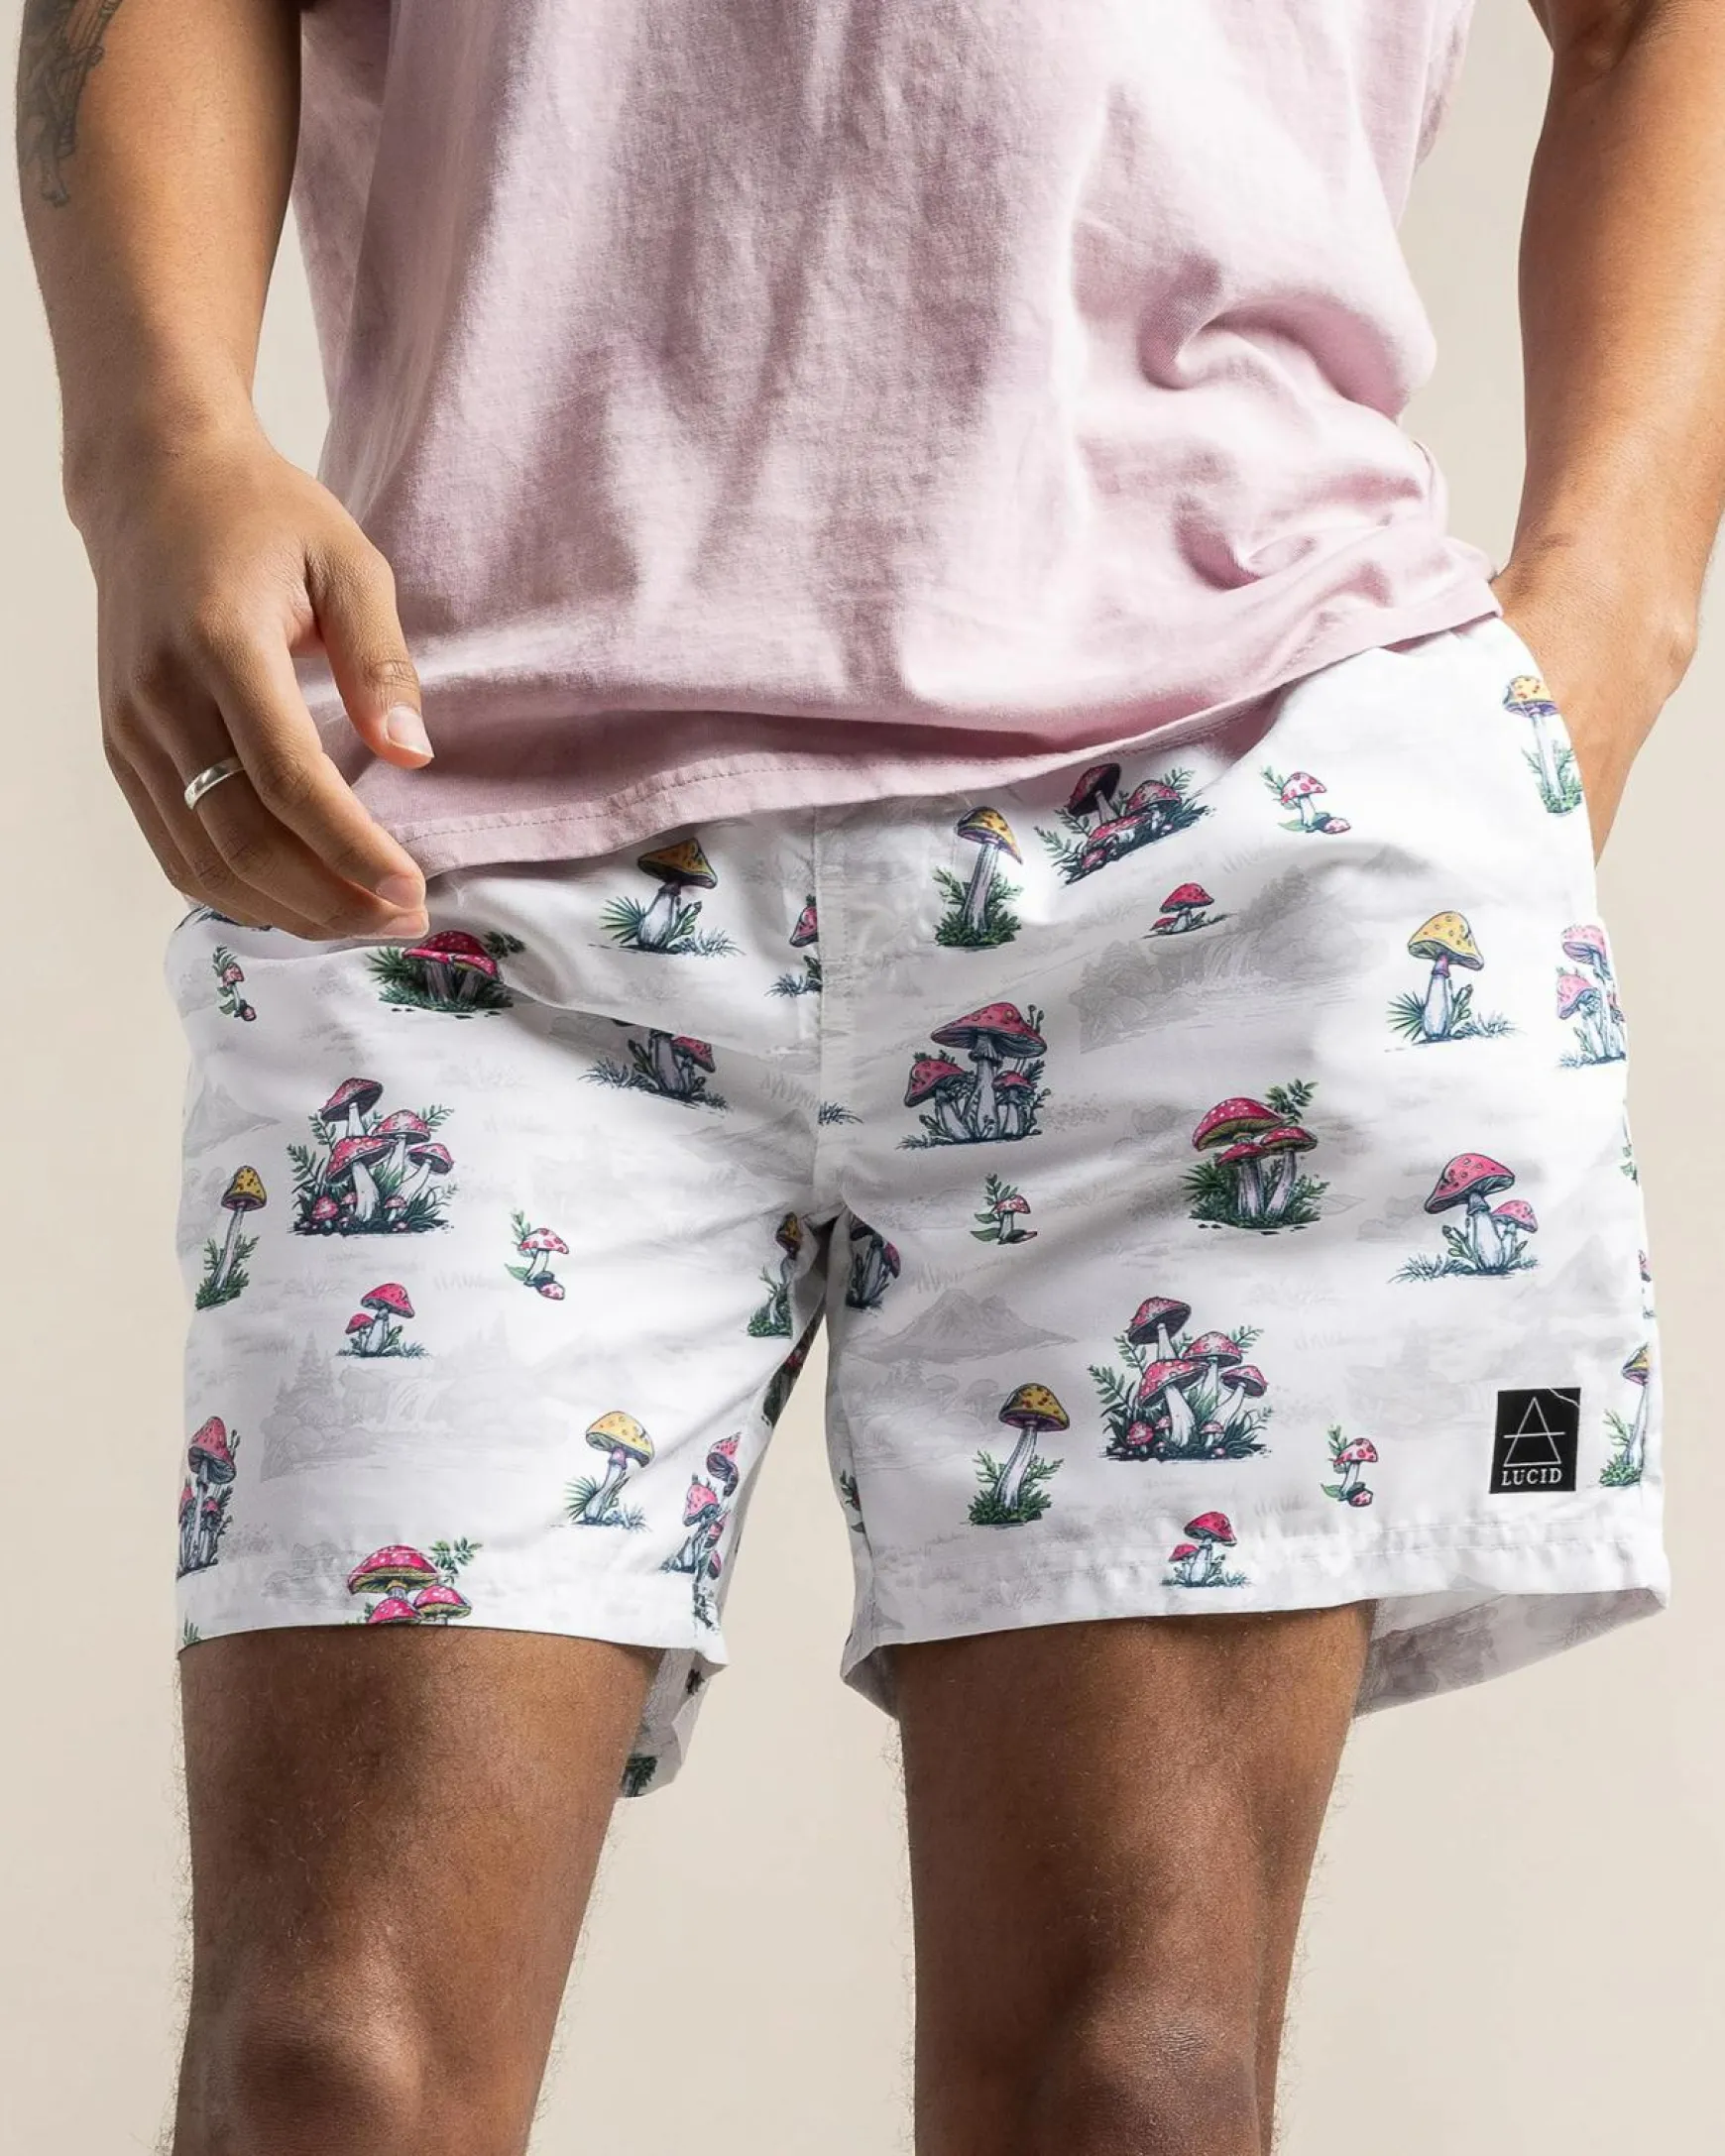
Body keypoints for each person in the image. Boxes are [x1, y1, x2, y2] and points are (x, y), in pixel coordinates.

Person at [16, 0, 1717, 2147]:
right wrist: (153, 440)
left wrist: (1615, 608)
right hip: (476, 827)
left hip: (1228, 802)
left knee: (1135, 2083)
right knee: (328, 2068)